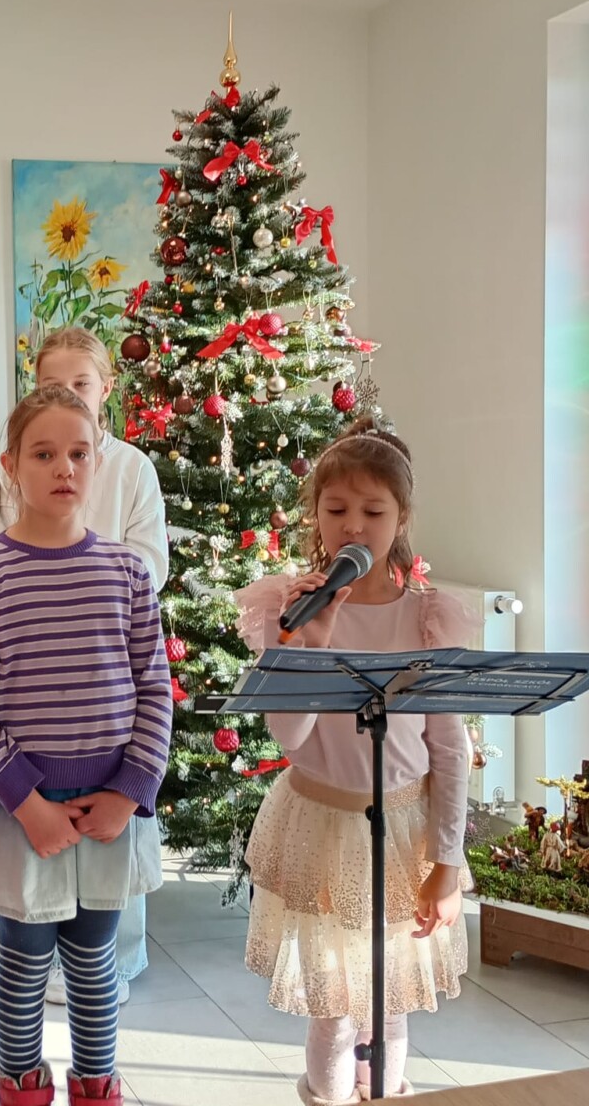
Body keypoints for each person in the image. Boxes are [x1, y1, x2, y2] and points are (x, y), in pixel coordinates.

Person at [234, 417, 478, 1106]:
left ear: (401, 519)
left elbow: (448, 749)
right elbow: (290, 736)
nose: (354, 526)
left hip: (405, 829)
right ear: (315, 513)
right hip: (322, 824)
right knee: (337, 1010)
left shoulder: (427, 618)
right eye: (337, 508)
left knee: (389, 1003)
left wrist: (448, 861)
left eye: (373, 511)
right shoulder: (290, 610)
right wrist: (310, 642)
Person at [0, 385, 173, 1106]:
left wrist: (129, 792)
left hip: (109, 804)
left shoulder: (127, 572)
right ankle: (21, 1088)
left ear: (98, 461)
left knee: (94, 959)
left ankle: (96, 1088)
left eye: (78, 453)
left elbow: (155, 691)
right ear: (12, 465)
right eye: (43, 454)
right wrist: (28, 805)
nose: (63, 468)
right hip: (21, 809)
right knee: (23, 960)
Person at [15, 326, 169, 1006]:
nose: (68, 394)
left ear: (105, 388)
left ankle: (119, 957)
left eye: (80, 383)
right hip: (43, 664)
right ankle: (49, 952)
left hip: (110, 655)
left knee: (113, 825)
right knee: (51, 828)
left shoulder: (131, 469)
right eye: (53, 383)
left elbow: (151, 560)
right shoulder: (30, 462)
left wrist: (87, 575)